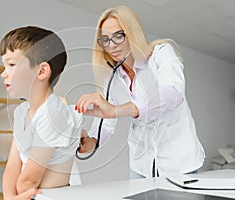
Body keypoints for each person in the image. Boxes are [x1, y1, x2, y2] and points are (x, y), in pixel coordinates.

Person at [75, 5, 205, 179]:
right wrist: (92, 141)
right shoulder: (112, 77)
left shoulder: (161, 54)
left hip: (178, 162)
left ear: (132, 33)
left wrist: (120, 110)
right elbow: (106, 121)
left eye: (118, 36)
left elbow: (172, 94)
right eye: (105, 40)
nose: (111, 45)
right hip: (141, 165)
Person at [0, 26, 83, 199]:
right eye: (4, 65)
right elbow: (12, 165)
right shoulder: (21, 112)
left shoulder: (53, 113)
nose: (3, 74)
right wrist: (9, 197)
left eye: (12, 65)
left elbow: (29, 181)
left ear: (42, 71)